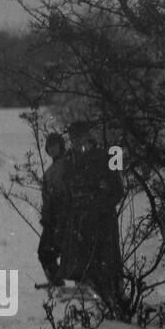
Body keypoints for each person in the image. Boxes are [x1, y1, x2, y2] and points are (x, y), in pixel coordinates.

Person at [61, 120, 123, 311]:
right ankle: (95, 305)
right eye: (72, 138)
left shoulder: (106, 157)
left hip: (103, 220)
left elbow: (117, 191)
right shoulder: (70, 161)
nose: (75, 142)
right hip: (80, 222)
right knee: (84, 264)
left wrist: (100, 201)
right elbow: (66, 191)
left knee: (107, 262)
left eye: (78, 137)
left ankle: (115, 298)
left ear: (87, 137)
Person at [37, 132, 70, 288]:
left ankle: (59, 282)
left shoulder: (68, 164)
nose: (52, 149)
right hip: (52, 220)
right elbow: (47, 198)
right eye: (49, 146)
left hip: (64, 219)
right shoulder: (49, 172)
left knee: (52, 252)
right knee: (44, 252)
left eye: (54, 145)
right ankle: (56, 281)